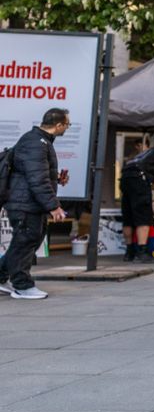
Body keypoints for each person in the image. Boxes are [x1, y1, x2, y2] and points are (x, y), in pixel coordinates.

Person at [0, 108, 71, 299]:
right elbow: (36, 179)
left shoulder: (38, 141)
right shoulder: (36, 143)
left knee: (26, 240)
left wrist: (56, 178)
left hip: (28, 202)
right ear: (59, 125)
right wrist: (53, 206)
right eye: (67, 124)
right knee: (25, 241)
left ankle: (1, 276)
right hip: (24, 203)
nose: (67, 128)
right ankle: (22, 286)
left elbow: (33, 173)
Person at [120, 137, 154, 262]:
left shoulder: (144, 153)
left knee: (128, 218)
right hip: (139, 181)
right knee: (143, 217)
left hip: (125, 179)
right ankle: (142, 252)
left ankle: (129, 252)